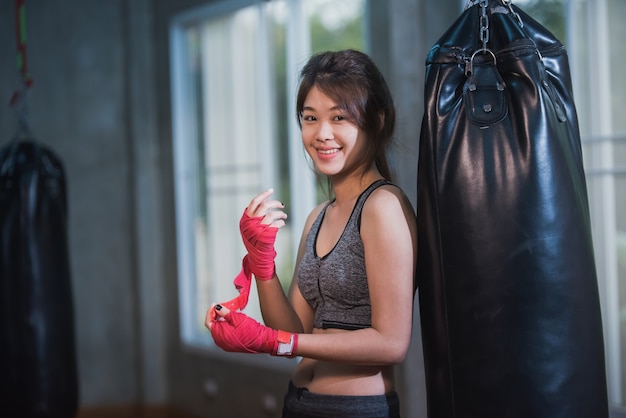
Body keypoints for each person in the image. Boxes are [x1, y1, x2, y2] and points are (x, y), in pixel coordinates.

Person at [205, 49, 417, 418]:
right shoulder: (318, 217)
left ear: (376, 121)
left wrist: (277, 343)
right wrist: (263, 265)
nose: (322, 134)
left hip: (355, 409)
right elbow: (294, 328)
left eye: (340, 117)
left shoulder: (382, 207)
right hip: (300, 402)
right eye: (310, 118)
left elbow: (392, 343)